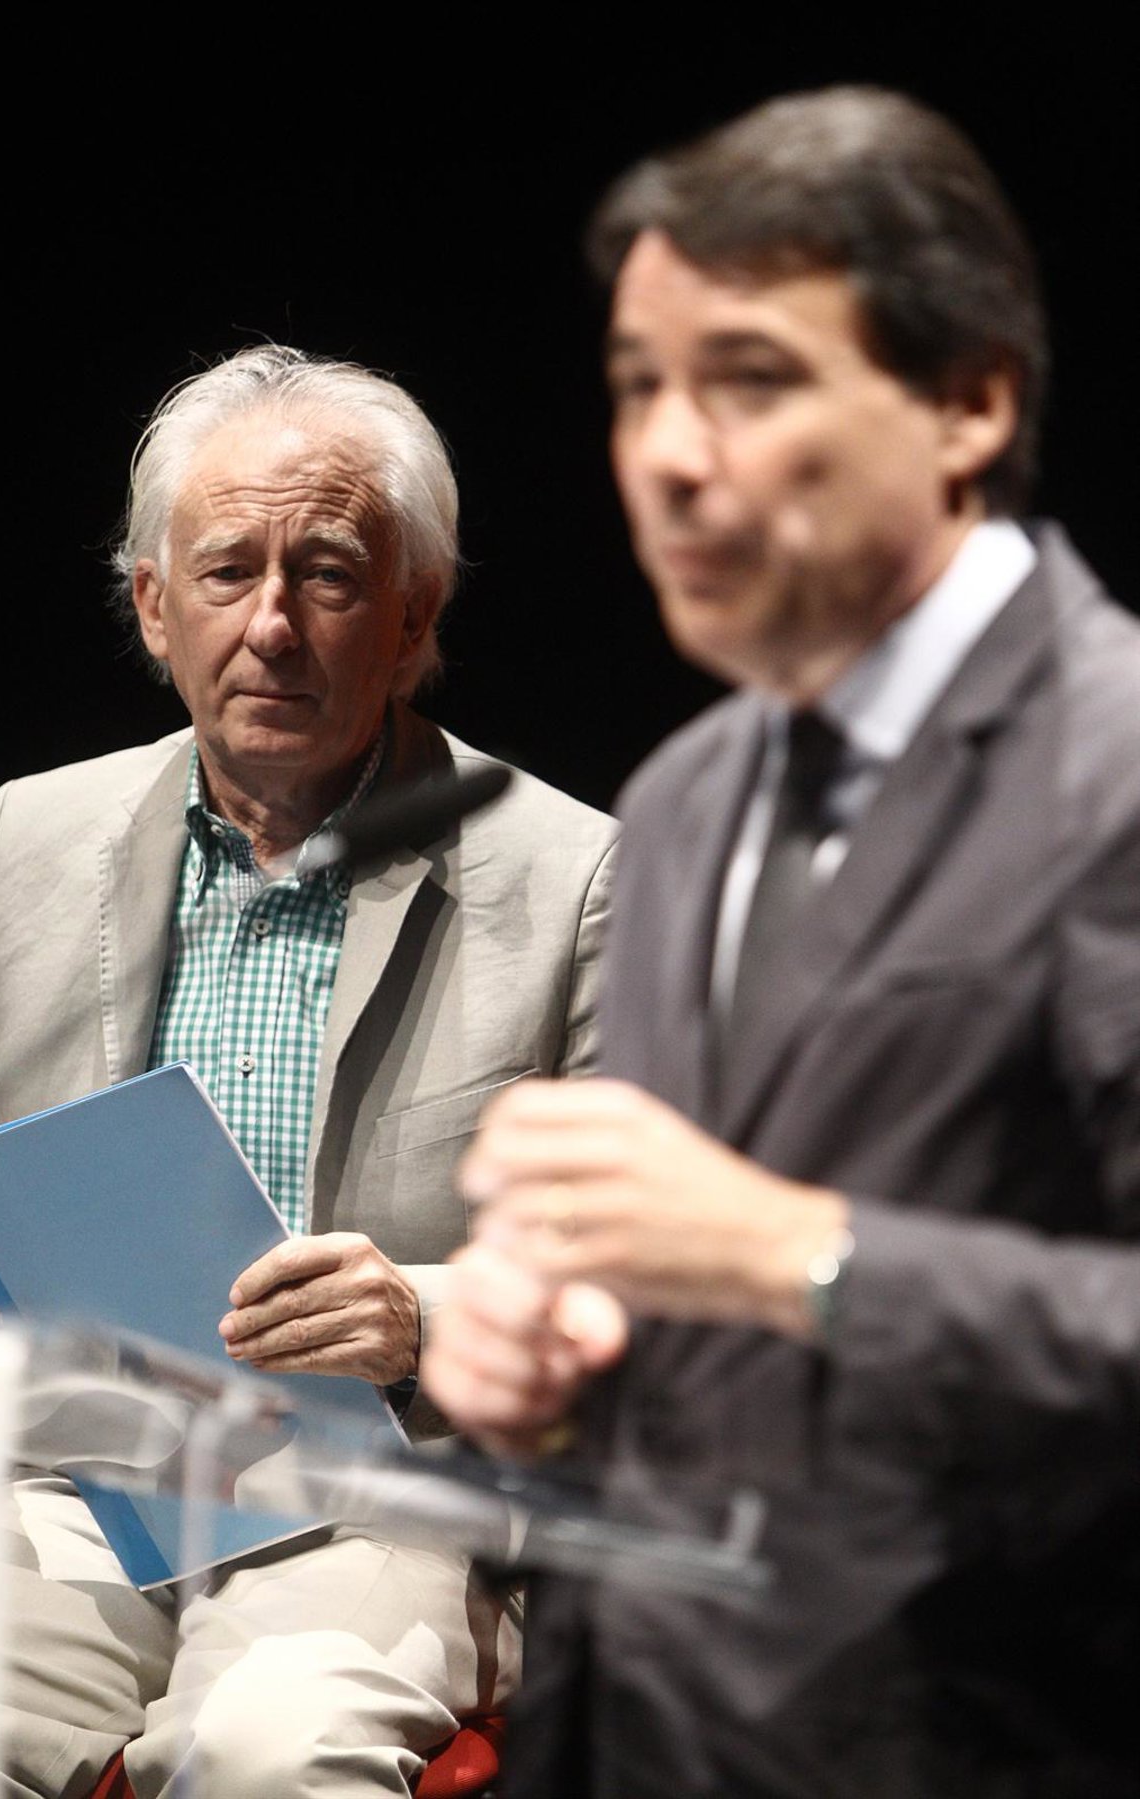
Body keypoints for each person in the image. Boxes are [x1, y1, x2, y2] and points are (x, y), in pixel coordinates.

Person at [422, 87, 1140, 1797]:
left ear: (969, 402)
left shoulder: (1115, 767)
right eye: (638, 387)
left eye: (748, 380)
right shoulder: (683, 795)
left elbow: (775, 1247)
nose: (670, 455)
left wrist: (797, 1254)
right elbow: (689, 1281)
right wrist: (543, 1340)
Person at [0, 344, 618, 1798]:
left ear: (413, 612)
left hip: (389, 1483)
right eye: (226, 573)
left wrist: (420, 1315)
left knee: (263, 1751)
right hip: (80, 1471)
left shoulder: (574, 880)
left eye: (326, 576)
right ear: (153, 605)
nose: (271, 626)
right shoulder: (27, 841)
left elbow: (648, 1282)